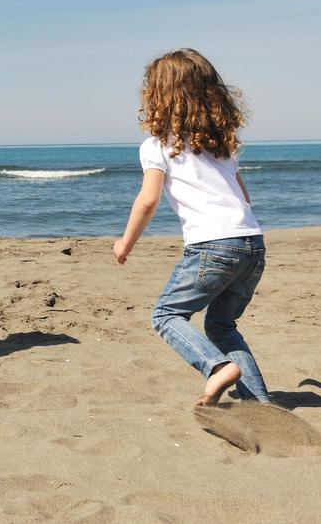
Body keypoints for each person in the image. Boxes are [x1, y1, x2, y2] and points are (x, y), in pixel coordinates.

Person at [113, 48, 269, 406]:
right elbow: (244, 198)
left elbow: (147, 201)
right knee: (222, 325)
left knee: (166, 314)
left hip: (212, 246)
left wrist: (125, 244)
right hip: (252, 244)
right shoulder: (222, 145)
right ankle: (259, 403)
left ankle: (215, 367)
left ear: (159, 97)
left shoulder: (157, 146)